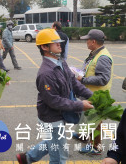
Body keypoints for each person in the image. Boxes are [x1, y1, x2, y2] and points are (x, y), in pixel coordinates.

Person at [16, 29, 94, 164]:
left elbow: (74, 82)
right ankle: (27, 158)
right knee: (59, 156)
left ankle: (27, 158)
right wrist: (80, 105)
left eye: (59, 42)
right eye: (55, 43)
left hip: (59, 115)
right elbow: (54, 101)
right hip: (51, 118)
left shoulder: (61, 62)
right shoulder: (45, 73)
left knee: (54, 142)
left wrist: (93, 96)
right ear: (44, 47)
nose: (59, 45)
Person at [72, 29, 113, 154]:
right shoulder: (95, 53)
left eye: (87, 40)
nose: (86, 42)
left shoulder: (103, 57)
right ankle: (84, 136)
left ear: (93, 41)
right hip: (91, 93)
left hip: (98, 95)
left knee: (96, 121)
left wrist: (82, 79)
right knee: (89, 117)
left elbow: (103, 79)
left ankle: (96, 147)